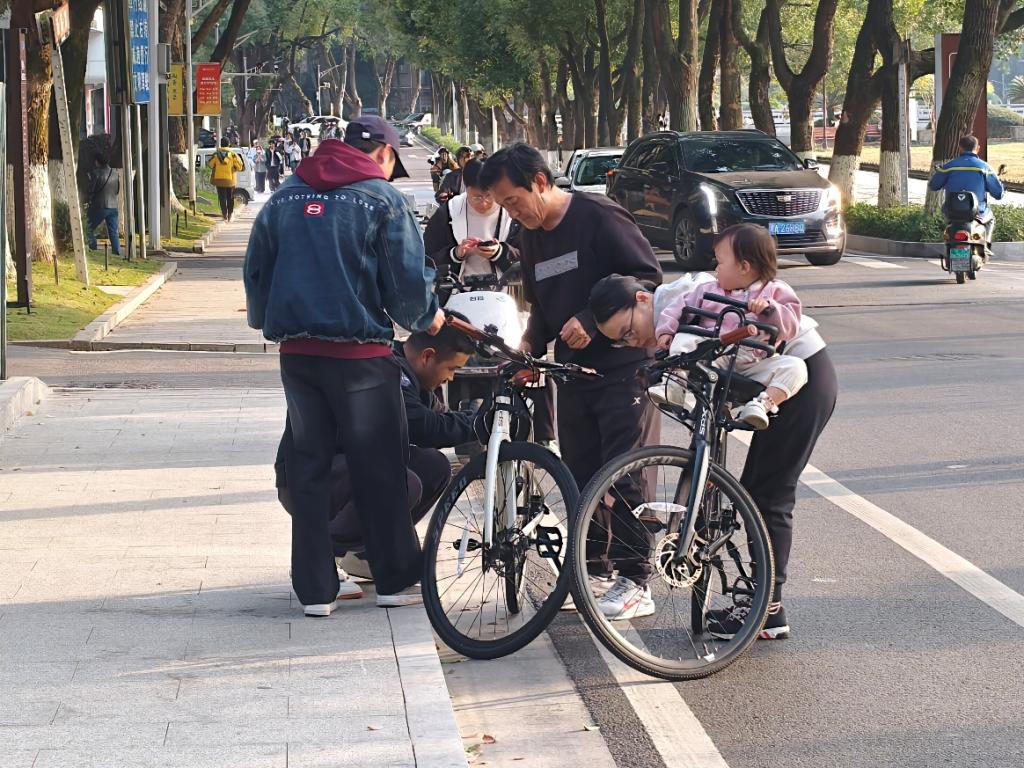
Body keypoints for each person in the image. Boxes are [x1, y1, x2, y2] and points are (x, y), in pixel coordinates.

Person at [244, 115, 444, 617]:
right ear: (386, 153)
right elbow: (406, 285)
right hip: (361, 357)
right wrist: (426, 316)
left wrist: (266, 319)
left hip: (298, 356)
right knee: (380, 468)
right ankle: (393, 579)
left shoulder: (284, 197)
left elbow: (257, 271)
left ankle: (316, 591)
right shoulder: (383, 199)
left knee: (308, 467)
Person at [588, 270, 839, 641]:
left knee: (768, 494)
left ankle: (769, 610)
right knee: (752, 490)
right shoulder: (670, 327)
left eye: (628, 331)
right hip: (763, 377)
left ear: (642, 300)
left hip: (800, 377)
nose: (633, 341)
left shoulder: (686, 301)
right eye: (621, 342)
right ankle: (761, 601)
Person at [478, 142, 662, 621]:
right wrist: (527, 348)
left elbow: (647, 277)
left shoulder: (600, 217)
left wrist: (591, 319)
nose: (511, 212)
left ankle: (637, 577)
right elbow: (542, 307)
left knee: (625, 474)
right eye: (502, 206)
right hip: (573, 374)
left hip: (625, 368)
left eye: (513, 200)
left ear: (540, 182)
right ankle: (593, 570)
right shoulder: (531, 237)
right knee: (581, 474)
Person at [276, 319, 479, 589]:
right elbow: (422, 426)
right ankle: (318, 556)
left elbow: (437, 418)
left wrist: (472, 419)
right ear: (427, 356)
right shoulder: (385, 367)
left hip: (345, 469)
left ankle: (365, 554)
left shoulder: (411, 376)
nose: (451, 378)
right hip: (313, 477)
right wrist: (477, 424)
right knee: (402, 484)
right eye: (452, 369)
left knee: (434, 466)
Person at [654, 223, 808, 430]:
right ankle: (675, 384)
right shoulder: (708, 289)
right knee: (685, 338)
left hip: (752, 362)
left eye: (720, 262)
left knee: (797, 367)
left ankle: (761, 405)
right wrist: (666, 330)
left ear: (744, 267)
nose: (716, 269)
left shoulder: (776, 291)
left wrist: (770, 309)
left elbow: (791, 327)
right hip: (711, 353)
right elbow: (678, 306)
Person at [423, 158, 518, 279]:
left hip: (505, 288)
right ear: (465, 187)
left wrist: (500, 252)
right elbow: (426, 257)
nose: (484, 203)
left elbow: (529, 258)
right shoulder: (449, 212)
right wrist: (455, 254)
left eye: (489, 196)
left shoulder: (512, 211)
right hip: (459, 288)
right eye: (477, 197)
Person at [927, 134, 1005, 249]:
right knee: (991, 219)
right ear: (978, 148)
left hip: (951, 212)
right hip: (978, 212)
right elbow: (998, 194)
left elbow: (933, 186)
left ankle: (948, 244)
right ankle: (986, 245)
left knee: (948, 226)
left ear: (960, 148)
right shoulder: (985, 168)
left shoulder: (948, 167)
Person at [85, 153, 120, 255]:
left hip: (99, 206)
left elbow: (91, 190)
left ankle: (93, 248)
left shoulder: (96, 173)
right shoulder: (115, 173)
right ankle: (116, 252)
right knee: (113, 231)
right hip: (113, 206)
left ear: (97, 162)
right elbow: (117, 190)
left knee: (88, 228)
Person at [207, 138, 244, 221]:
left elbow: (210, 164)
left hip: (219, 180)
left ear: (221, 144)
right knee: (230, 197)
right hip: (230, 180)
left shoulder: (216, 154)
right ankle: (230, 214)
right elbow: (240, 166)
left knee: (222, 198)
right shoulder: (233, 155)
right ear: (229, 144)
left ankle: (224, 214)